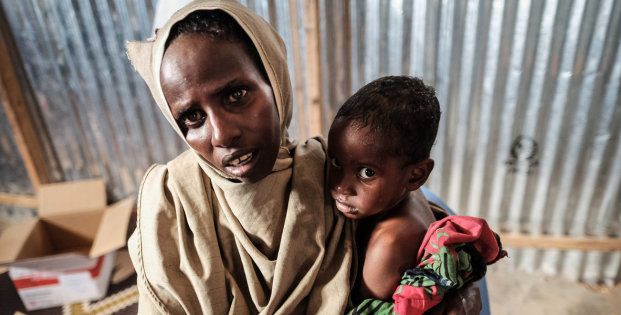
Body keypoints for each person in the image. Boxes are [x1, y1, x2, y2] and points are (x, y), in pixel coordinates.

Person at [127, 1, 481, 313]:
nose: (222, 134)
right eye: (192, 117)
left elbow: (412, 205)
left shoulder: (328, 168)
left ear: (275, 81)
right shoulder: (171, 210)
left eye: (236, 95)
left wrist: (455, 290)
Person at [327, 76, 505, 314]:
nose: (341, 186)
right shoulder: (409, 193)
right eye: (336, 161)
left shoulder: (387, 244)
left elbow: (364, 310)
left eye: (367, 172)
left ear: (416, 175)